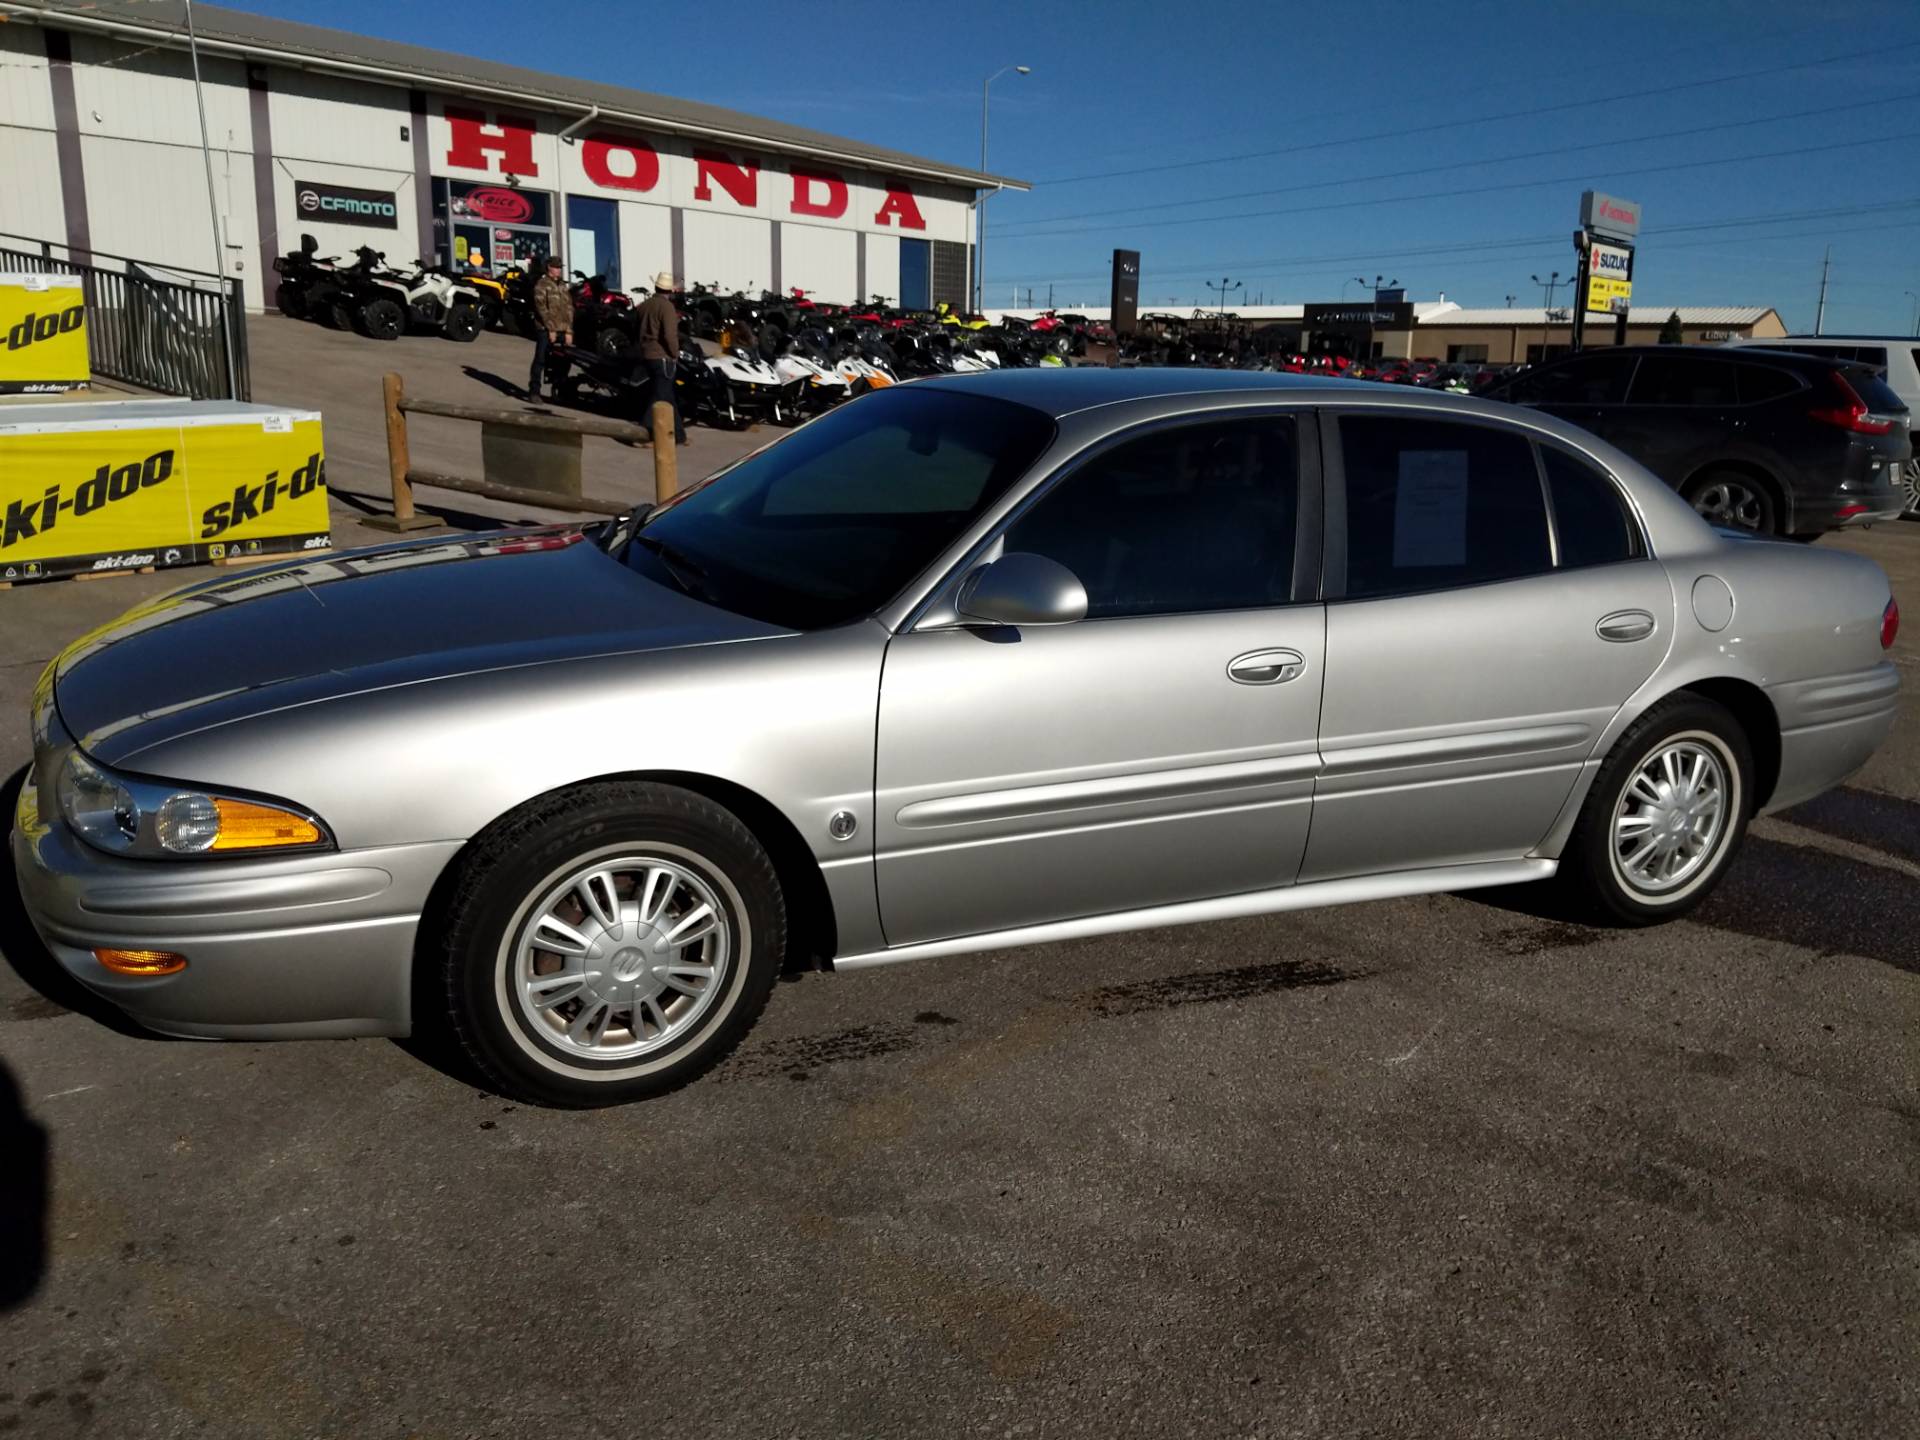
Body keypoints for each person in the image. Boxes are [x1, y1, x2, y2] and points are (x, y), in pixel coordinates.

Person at [636, 270, 688, 444]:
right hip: (662, 357)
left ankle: (679, 435)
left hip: (647, 354)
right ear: (669, 291)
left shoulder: (645, 305)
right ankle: (641, 433)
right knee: (660, 395)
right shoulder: (667, 307)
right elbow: (669, 335)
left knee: (667, 395)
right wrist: (675, 353)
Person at [527, 255, 572, 400]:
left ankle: (558, 389)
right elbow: (541, 309)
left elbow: (569, 308)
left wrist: (569, 330)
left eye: (560, 268)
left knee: (564, 360)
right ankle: (534, 391)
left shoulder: (563, 286)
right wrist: (551, 329)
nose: (559, 270)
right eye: (556, 267)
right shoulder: (542, 284)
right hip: (545, 329)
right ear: (549, 268)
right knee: (540, 359)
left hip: (562, 329)